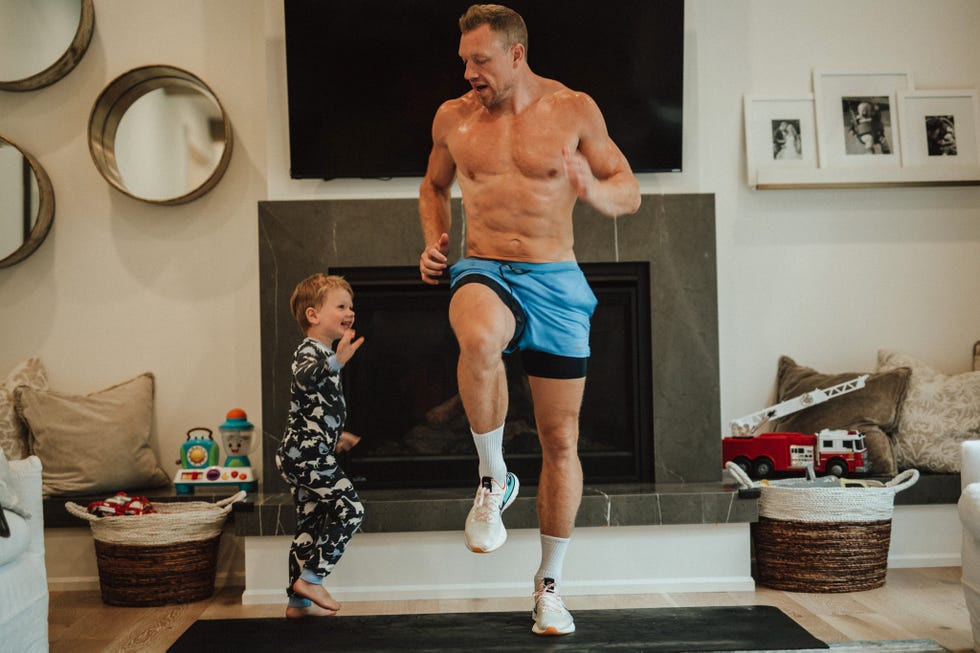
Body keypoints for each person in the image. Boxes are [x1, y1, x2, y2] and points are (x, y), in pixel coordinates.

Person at [417, 4, 640, 636]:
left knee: (561, 440)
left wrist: (595, 193)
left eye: (479, 60)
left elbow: (628, 185)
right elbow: (433, 185)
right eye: (464, 60)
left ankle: (550, 588)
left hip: (557, 280)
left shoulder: (574, 110)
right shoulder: (453, 119)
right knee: (480, 334)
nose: (468, 73)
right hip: (484, 266)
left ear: (516, 54)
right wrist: (436, 239)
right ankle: (493, 478)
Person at [275, 273, 366, 619]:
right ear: (313, 315)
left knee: (310, 525)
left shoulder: (322, 353)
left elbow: (309, 405)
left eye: (351, 306)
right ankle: (313, 579)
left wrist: (335, 436)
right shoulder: (311, 351)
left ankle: (296, 602)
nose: (350, 312)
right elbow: (303, 380)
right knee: (351, 510)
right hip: (307, 455)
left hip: (308, 450)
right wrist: (336, 362)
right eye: (341, 306)